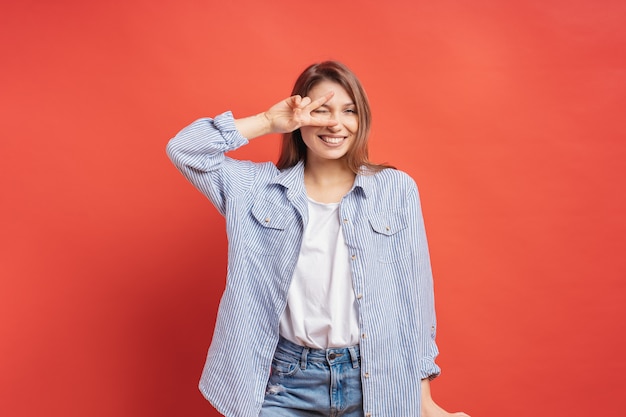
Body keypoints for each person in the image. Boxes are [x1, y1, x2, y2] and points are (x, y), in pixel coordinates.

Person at [166, 61, 469, 417]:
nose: (335, 123)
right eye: (320, 111)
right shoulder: (255, 190)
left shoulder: (394, 190)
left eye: (348, 111)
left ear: (362, 119)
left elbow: (414, 299)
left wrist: (424, 400)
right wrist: (267, 121)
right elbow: (185, 149)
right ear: (300, 117)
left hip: (375, 380)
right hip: (284, 384)